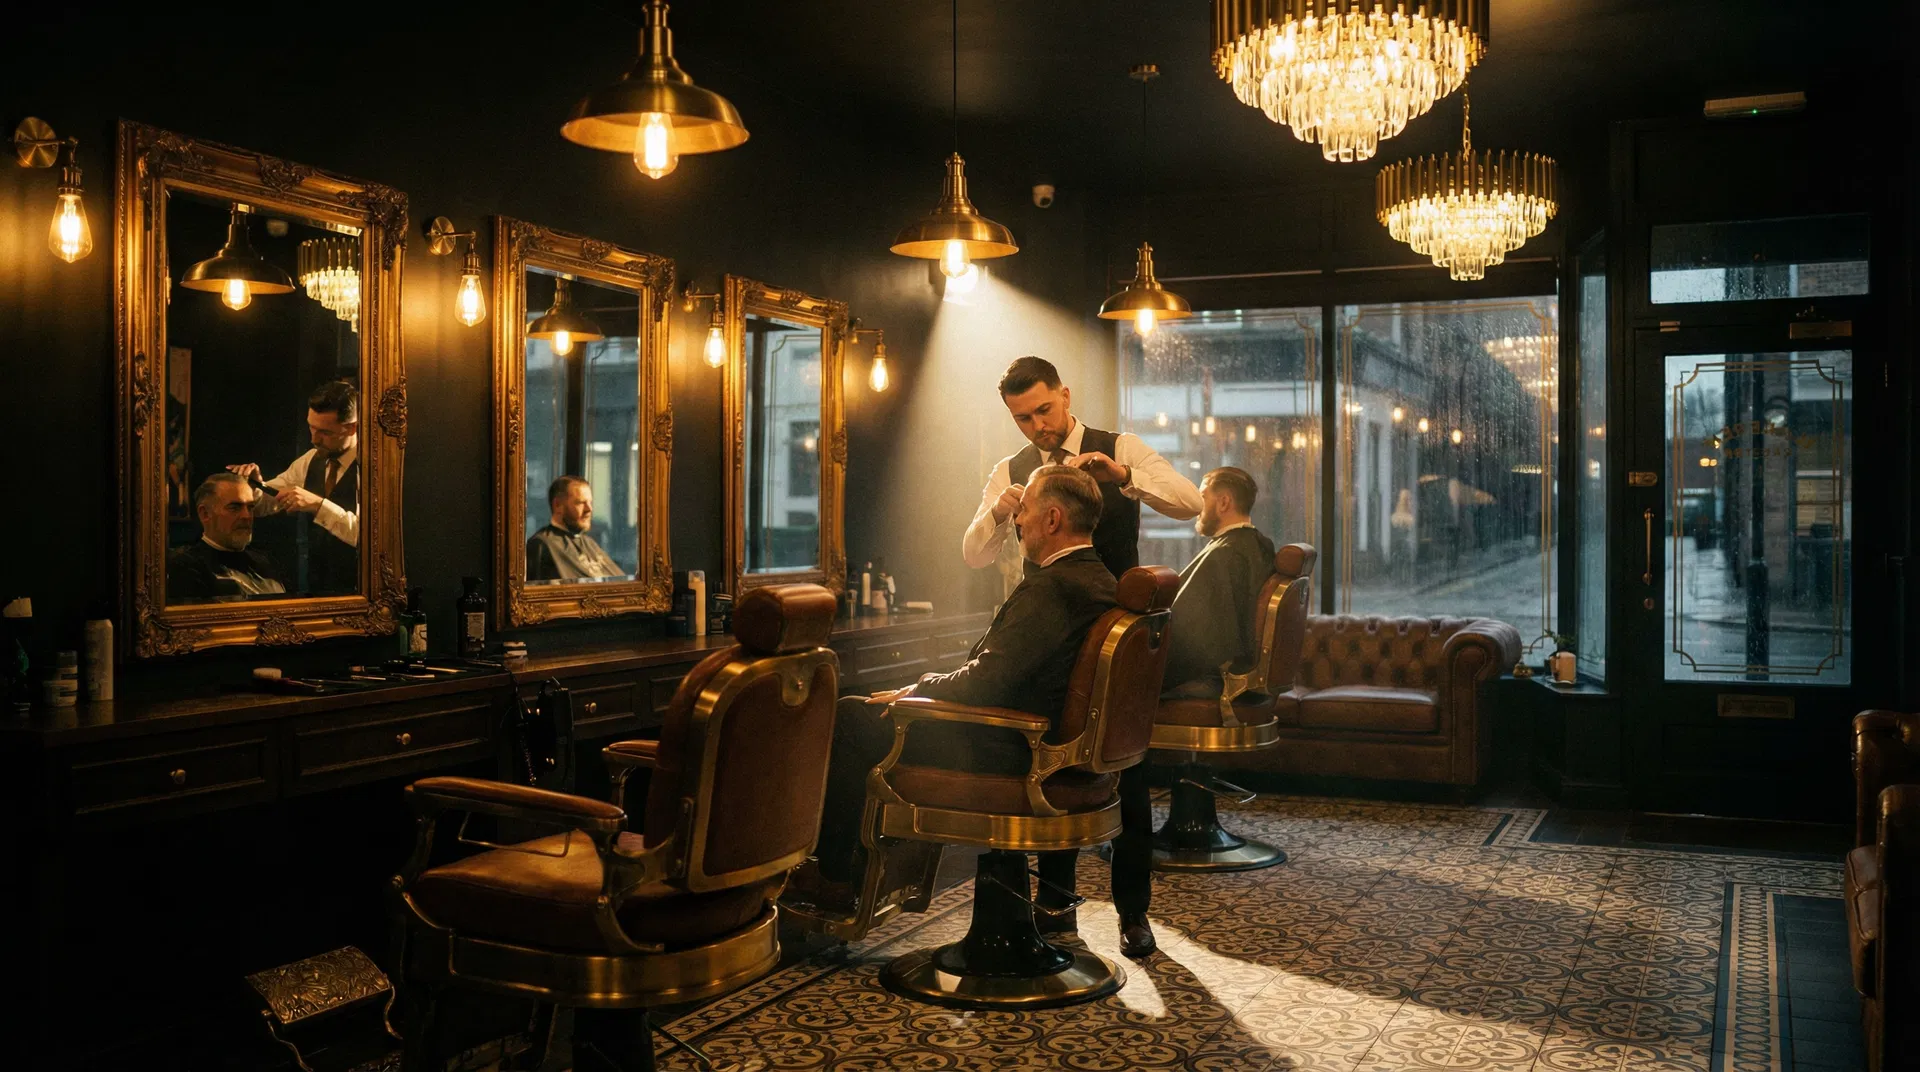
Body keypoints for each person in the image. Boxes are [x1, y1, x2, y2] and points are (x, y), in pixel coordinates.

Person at [962, 355, 1203, 959]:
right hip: (1050, 641)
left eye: (1044, 410)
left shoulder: (1119, 445)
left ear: (1065, 396)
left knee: (1128, 770)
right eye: (1022, 418)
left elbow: (1189, 502)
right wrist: (999, 511)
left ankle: (1133, 913)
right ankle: (1054, 900)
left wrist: (1123, 475)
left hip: (1118, 635)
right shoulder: (1009, 471)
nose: (1038, 427)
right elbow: (972, 555)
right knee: (1056, 757)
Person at [812, 465, 1118, 889]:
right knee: (870, 711)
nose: (1018, 520)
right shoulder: (1101, 580)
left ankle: (835, 876)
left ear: (1052, 519)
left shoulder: (1052, 587)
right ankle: (868, 871)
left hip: (1010, 747)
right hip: (1049, 746)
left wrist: (919, 688)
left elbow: (984, 683)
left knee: (851, 716)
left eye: (1024, 510)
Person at [227, 380, 359, 596]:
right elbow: (270, 503)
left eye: (325, 432)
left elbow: (370, 540)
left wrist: (318, 505)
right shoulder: (310, 460)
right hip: (316, 586)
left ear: (352, 428)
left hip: (360, 592)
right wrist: (256, 486)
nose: (314, 439)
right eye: (311, 427)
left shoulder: (373, 469)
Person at [1162, 467, 1279, 699]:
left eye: (1202, 497)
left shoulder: (1225, 555)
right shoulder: (1260, 545)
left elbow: (1191, 636)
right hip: (1240, 677)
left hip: (1215, 682)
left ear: (1224, 502)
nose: (1196, 507)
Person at [167, 473, 287, 602]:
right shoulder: (185, 568)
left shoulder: (265, 563)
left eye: (250, 507)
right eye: (234, 508)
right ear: (205, 514)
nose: (247, 516)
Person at [527, 476, 627, 582]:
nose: (589, 509)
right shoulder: (542, 545)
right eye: (580, 503)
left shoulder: (590, 543)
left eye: (590, 503)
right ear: (557, 505)